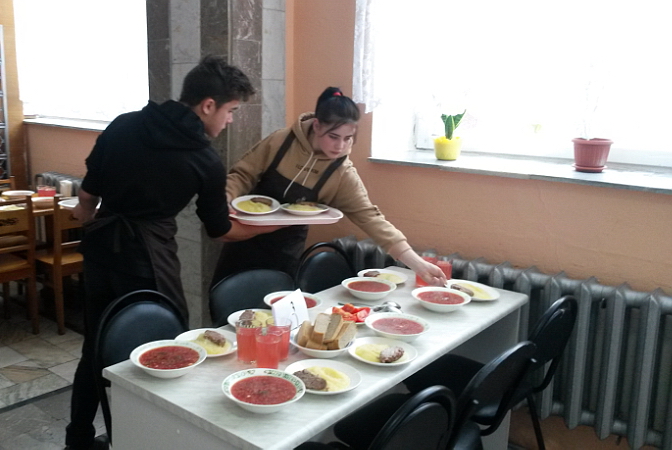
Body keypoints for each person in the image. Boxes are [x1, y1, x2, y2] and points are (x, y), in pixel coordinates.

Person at [66, 55, 280, 450]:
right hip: (148, 258)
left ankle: (78, 439)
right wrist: (274, 225)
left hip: (100, 250)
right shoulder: (204, 160)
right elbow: (221, 231)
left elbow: (88, 192)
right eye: (231, 111)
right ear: (208, 105)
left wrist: (85, 215)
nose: (231, 120)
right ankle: (147, 440)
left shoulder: (125, 123)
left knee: (95, 345)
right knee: (161, 350)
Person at [211, 86, 446, 288]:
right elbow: (242, 174)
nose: (340, 146)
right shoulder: (281, 141)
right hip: (243, 238)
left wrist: (417, 264)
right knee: (225, 304)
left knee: (271, 314)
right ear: (317, 125)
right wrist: (226, 198)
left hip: (284, 252)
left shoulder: (342, 173)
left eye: (348, 138)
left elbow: (372, 219)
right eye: (334, 136)